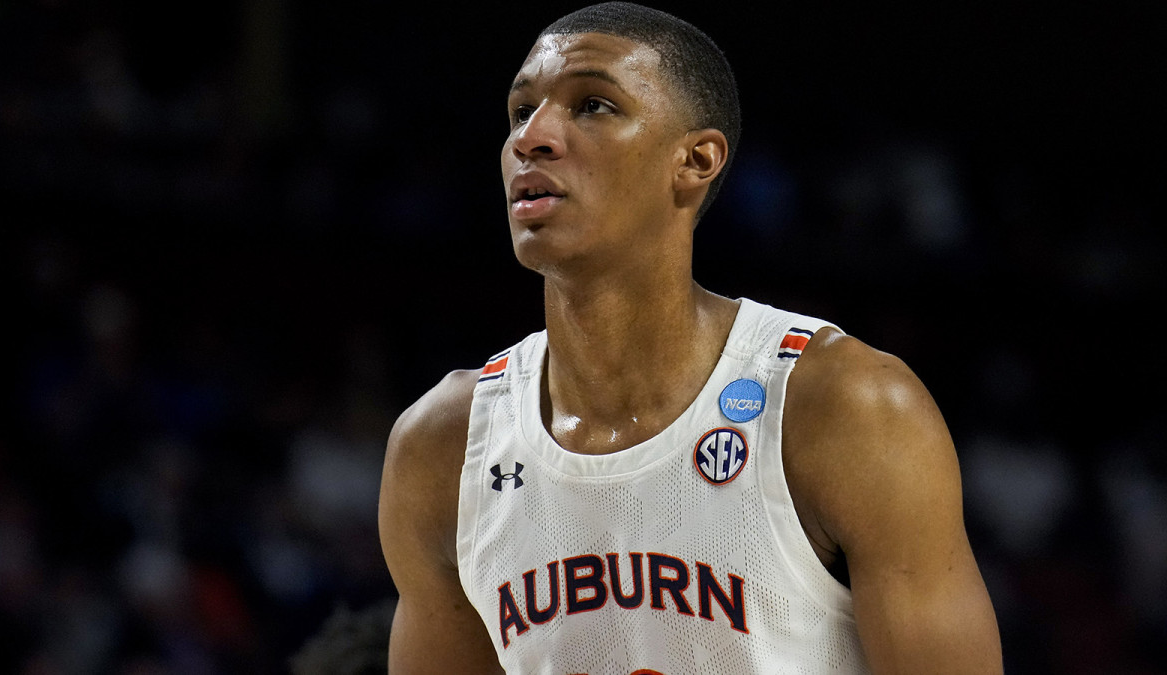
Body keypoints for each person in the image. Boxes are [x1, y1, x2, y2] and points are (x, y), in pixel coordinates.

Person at [378, 2, 1003, 672]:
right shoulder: (442, 448)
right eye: (521, 110)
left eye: (592, 104)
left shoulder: (846, 407)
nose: (533, 136)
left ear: (696, 160)